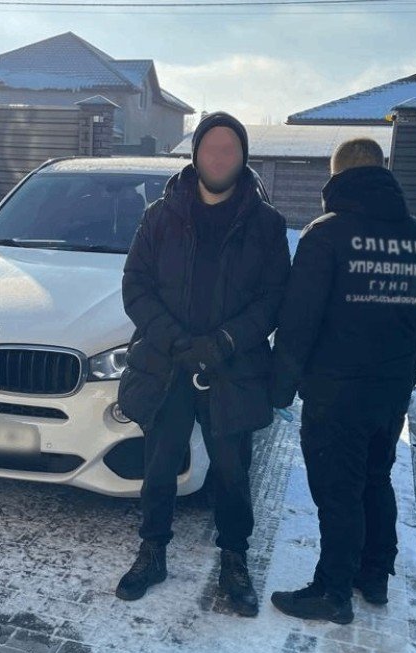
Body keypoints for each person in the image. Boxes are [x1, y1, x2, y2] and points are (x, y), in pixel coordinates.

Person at [116, 111, 291, 616]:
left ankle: (234, 559)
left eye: (229, 149)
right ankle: (153, 552)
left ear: (243, 157)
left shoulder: (266, 224)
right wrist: (174, 340)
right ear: (195, 154)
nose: (219, 157)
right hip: (167, 364)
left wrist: (225, 342)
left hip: (232, 368)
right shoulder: (160, 216)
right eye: (211, 147)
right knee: (158, 467)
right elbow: (136, 285)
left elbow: (274, 299)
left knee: (233, 473)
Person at [269, 138, 416, 624]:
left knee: (337, 491)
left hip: (336, 393)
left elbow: (298, 321)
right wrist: (405, 381)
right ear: (383, 172)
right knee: (375, 478)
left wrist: (279, 388)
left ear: (336, 176)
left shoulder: (326, 234)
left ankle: (333, 591)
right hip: (390, 391)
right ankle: (374, 575)